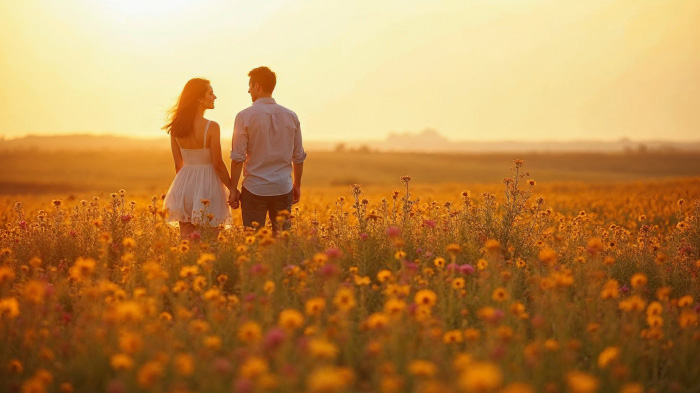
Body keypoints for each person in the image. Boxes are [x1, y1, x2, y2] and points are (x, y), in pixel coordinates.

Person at [228, 66, 306, 232]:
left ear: (257, 86)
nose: (248, 91)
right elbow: (298, 157)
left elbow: (238, 158)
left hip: (254, 188)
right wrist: (297, 185)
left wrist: (233, 189)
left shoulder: (244, 116)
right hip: (283, 187)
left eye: (250, 86)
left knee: (253, 242)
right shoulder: (291, 116)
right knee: (283, 242)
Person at [162, 78, 232, 238]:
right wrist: (232, 189)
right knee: (210, 240)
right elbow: (218, 164)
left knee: (186, 240)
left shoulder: (176, 127)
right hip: (209, 185)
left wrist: (185, 187)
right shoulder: (212, 127)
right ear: (199, 98)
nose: (214, 97)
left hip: (185, 183)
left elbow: (178, 166)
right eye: (211, 93)